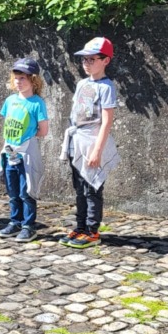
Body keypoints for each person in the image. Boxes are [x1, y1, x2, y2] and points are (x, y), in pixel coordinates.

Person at [59, 37, 120, 249]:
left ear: (105, 61)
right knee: (79, 187)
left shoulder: (106, 87)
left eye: (92, 59)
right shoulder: (82, 84)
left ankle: (93, 231)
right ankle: (81, 226)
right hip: (77, 140)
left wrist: (97, 150)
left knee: (92, 188)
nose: (87, 63)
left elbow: (106, 122)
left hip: (92, 142)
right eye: (84, 60)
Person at [0, 58, 49, 242]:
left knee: (27, 190)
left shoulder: (37, 103)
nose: (19, 82)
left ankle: (28, 225)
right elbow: (7, 123)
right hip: (10, 151)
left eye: (23, 78)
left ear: (33, 80)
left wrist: (29, 138)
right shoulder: (10, 100)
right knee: (13, 189)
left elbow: (44, 130)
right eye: (16, 78)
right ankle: (15, 222)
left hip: (27, 153)